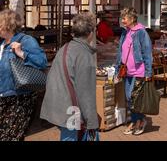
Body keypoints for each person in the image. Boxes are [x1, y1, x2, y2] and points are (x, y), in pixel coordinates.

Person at [40, 12, 99, 141]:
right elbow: (86, 93)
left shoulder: (65, 48)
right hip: (70, 109)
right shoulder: (84, 55)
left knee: (68, 137)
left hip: (58, 104)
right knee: (71, 138)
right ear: (91, 33)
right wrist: (92, 122)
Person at [0, 10, 47, 141]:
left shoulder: (26, 40)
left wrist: (21, 53)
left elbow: (42, 62)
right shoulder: (2, 44)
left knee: (11, 136)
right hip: (3, 96)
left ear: (8, 25)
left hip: (20, 97)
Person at [116, 8, 152, 136]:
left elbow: (147, 52)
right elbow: (120, 52)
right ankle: (136, 120)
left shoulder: (141, 32)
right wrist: (117, 69)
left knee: (134, 98)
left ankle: (139, 121)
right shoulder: (125, 32)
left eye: (124, 18)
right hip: (127, 71)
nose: (122, 20)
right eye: (122, 18)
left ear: (132, 19)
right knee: (128, 98)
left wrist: (148, 72)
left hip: (139, 71)